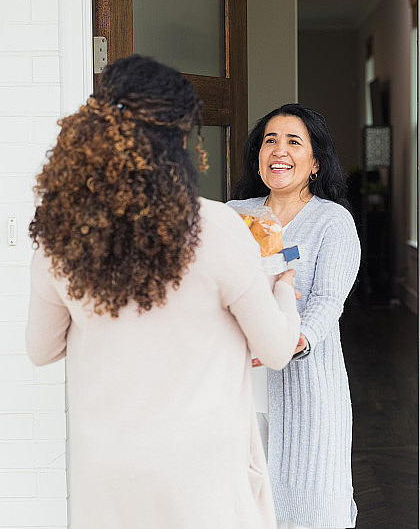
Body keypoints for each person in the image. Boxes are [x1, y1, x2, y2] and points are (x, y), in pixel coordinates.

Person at [25, 55, 301, 529]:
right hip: (200, 482)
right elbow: (276, 350)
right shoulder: (216, 227)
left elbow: (41, 349)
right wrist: (283, 293)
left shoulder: (62, 237)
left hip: (108, 481)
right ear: (182, 140)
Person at [228, 104, 361, 529]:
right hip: (241, 380)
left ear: (315, 161)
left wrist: (295, 342)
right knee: (242, 499)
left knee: (312, 502)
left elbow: (327, 301)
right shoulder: (234, 214)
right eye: (269, 140)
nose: (279, 150)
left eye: (293, 141)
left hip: (307, 385)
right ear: (258, 156)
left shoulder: (332, 221)